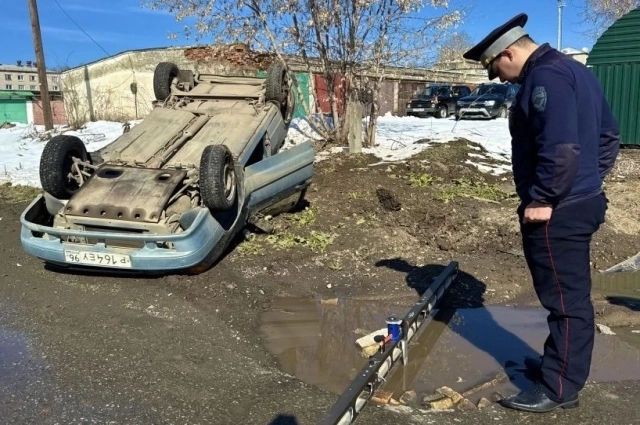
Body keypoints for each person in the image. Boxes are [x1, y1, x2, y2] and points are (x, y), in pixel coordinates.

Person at [462, 13, 620, 413]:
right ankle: (558, 367)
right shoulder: (576, 71)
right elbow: (608, 137)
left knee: (565, 301)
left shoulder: (545, 78)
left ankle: (559, 388)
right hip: (580, 201)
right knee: (566, 295)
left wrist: (545, 198)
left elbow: (560, 148)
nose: (502, 80)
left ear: (508, 54)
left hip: (558, 212)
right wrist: (587, 181)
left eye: (497, 70)